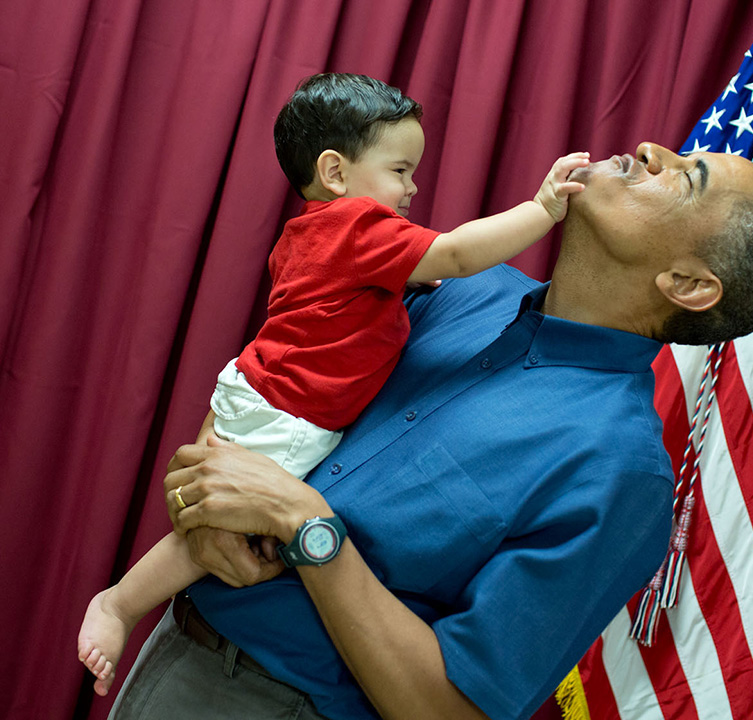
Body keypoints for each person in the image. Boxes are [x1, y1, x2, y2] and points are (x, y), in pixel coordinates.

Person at [107, 140, 753, 720]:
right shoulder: (455, 283)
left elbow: (452, 711)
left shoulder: (620, 471)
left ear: (688, 284)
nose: (653, 151)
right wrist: (207, 494)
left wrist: (308, 526)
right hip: (170, 645)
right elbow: (270, 385)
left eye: (687, 176)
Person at [76, 72, 591, 697]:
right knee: (217, 530)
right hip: (287, 412)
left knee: (219, 517)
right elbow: (455, 254)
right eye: (400, 170)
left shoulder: (313, 232)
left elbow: (337, 311)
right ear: (336, 172)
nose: (413, 187)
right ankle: (120, 603)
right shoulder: (356, 227)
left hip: (260, 388)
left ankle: (125, 602)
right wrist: (541, 210)